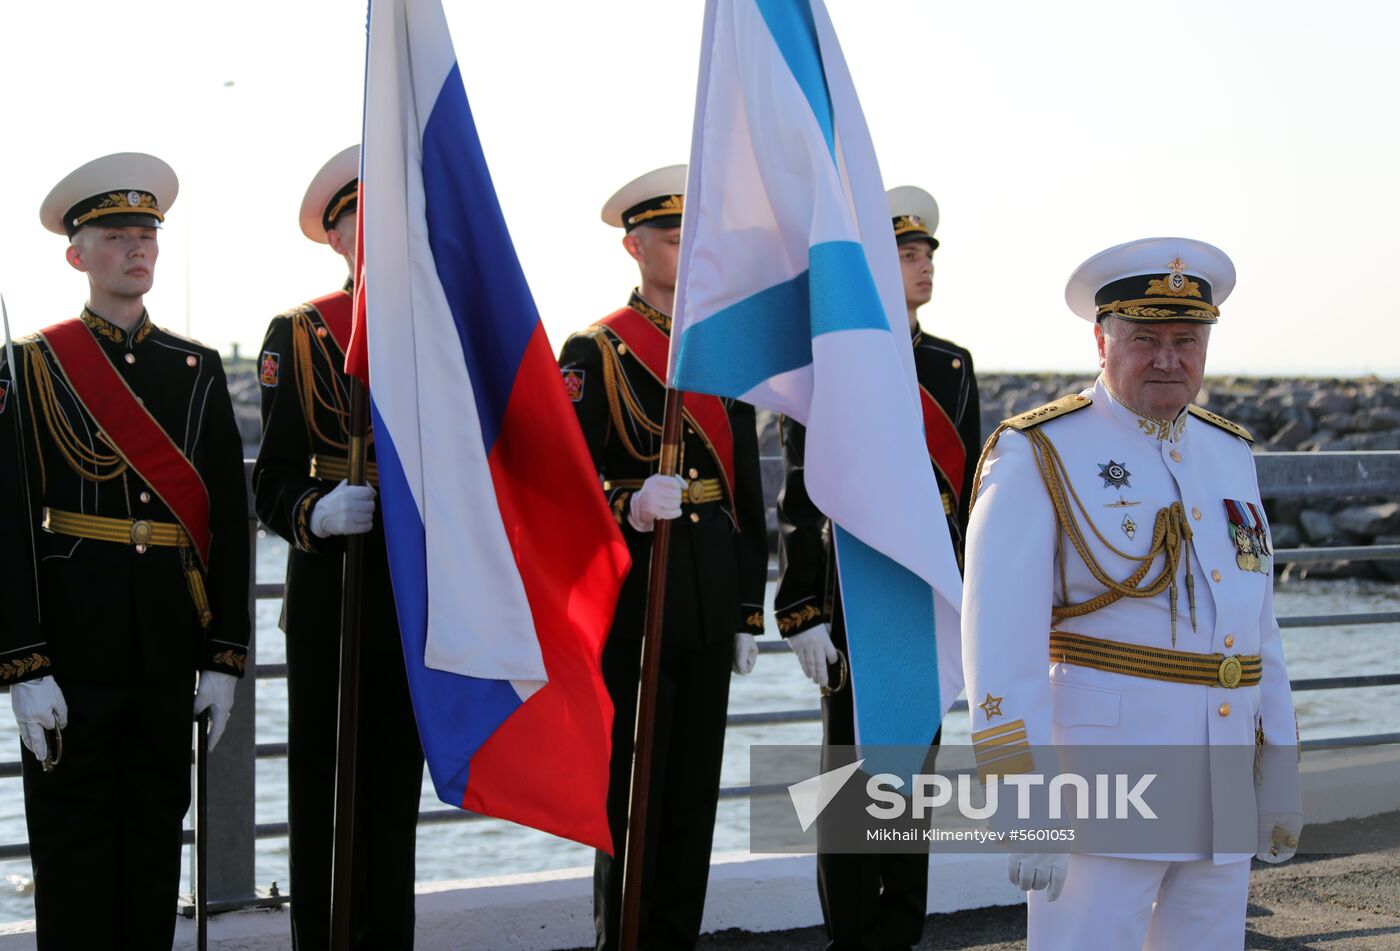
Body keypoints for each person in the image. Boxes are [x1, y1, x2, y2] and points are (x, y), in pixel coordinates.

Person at [961, 237, 1302, 949]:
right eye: (1145, 338)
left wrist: (1278, 765)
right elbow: (1000, 643)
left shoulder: (1229, 451)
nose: (1169, 357)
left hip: (1221, 776)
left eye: (1187, 338)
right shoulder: (1038, 452)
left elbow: (1254, 623)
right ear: (1100, 338)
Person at [0, 152, 249, 948]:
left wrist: (225, 656)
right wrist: (22, 664)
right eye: (116, 236)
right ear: (77, 254)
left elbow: (231, 529)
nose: (137, 249)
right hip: (74, 648)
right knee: (72, 860)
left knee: (151, 850)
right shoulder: (32, 368)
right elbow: (7, 521)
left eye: (146, 234)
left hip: (168, 646)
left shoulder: (198, 369)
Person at [558, 165, 768, 951]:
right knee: (633, 794)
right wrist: (628, 500)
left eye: (694, 235)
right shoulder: (598, 348)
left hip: (710, 589)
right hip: (638, 595)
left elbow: (747, 488)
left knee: (690, 796)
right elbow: (569, 479)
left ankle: (676, 937)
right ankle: (629, 939)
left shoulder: (721, 345)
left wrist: (750, 607)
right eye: (672, 236)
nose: (686, 249)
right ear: (633, 244)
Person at [773, 185, 979, 951]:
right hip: (852, 595)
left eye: (926, 253)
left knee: (913, 778)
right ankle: (853, 934)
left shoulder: (951, 365)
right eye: (906, 254)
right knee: (851, 779)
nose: (923, 265)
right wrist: (801, 607)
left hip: (923, 591)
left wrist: (970, 601)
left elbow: (969, 497)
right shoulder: (830, 358)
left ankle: (902, 930)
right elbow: (799, 493)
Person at [252, 145, 424, 949]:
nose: (377, 231)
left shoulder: (442, 332)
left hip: (417, 592)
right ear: (337, 239)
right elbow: (270, 482)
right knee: (323, 799)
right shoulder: (304, 333)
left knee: (395, 800)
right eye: (360, 219)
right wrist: (316, 513)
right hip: (332, 592)